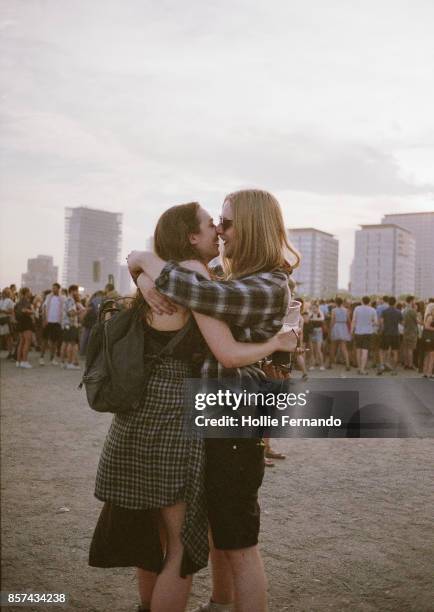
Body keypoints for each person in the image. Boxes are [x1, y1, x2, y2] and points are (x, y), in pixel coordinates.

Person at [92, 200, 297, 612]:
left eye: (226, 222)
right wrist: (275, 344)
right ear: (191, 237)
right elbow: (225, 350)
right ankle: (217, 603)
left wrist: (142, 263)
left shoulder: (178, 280)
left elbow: (198, 294)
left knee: (162, 539)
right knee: (183, 548)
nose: (219, 230)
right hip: (176, 421)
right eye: (212, 223)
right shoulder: (195, 276)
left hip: (141, 419)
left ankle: (208, 604)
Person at [351, 296, 377, 375]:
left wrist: (351, 331)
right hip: (368, 332)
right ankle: (363, 369)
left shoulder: (357, 309)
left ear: (362, 301)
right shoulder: (373, 310)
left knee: (358, 350)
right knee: (365, 351)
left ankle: (359, 368)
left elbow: (353, 320)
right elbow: (376, 322)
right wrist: (370, 323)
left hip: (358, 332)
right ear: (369, 302)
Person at [41, 283, 65, 365]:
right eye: (53, 288)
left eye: (55, 288)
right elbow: (44, 307)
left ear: (59, 289)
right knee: (44, 340)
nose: (53, 289)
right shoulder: (49, 297)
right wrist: (44, 319)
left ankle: (52, 358)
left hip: (57, 322)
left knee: (54, 342)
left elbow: (64, 310)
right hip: (48, 321)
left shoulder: (62, 298)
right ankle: (41, 357)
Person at [378, 296, 402, 375]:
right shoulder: (398, 312)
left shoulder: (384, 311)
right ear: (395, 303)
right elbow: (402, 323)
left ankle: (382, 366)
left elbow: (381, 322)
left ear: (388, 302)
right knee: (395, 351)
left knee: (382, 350)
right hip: (395, 333)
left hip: (386, 333)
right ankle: (394, 370)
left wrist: (381, 331)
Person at [329, 297, 352, 371]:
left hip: (336, 326)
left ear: (336, 302)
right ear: (342, 302)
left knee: (333, 347)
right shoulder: (346, 310)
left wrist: (330, 329)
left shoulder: (334, 310)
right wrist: (349, 329)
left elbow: (333, 320)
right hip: (343, 326)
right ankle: (347, 364)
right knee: (344, 347)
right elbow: (349, 320)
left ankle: (330, 364)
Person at [14, 287, 35, 368]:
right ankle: (24, 361)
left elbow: (17, 311)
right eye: (29, 292)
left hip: (20, 323)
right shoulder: (25, 301)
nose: (30, 293)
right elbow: (24, 310)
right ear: (26, 293)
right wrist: (32, 311)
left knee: (21, 342)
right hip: (26, 323)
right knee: (27, 342)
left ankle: (18, 361)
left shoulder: (19, 301)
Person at [62, 285, 81, 370]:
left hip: (67, 324)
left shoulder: (67, 299)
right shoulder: (70, 300)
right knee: (72, 344)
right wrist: (80, 311)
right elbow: (71, 313)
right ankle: (70, 363)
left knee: (69, 343)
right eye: (76, 291)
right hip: (71, 324)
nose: (78, 293)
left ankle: (67, 362)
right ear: (72, 291)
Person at [402, 296, 418, 370]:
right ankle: (410, 364)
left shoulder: (404, 310)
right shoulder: (412, 311)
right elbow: (417, 321)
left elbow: (402, 322)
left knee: (405, 349)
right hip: (412, 332)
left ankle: (405, 364)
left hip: (405, 331)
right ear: (411, 301)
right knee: (410, 349)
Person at [308, 302, 325, 371]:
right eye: (312, 308)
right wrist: (312, 315)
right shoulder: (310, 313)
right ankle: (312, 365)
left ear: (318, 308)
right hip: (312, 332)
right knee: (312, 350)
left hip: (318, 332)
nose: (314, 309)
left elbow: (322, 319)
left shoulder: (320, 312)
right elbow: (307, 319)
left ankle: (322, 365)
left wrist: (313, 318)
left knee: (318, 349)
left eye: (315, 308)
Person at [0, 287, 15, 359]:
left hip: (6, 320)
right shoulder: (1, 301)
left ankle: (10, 352)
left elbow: (11, 312)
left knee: (8, 337)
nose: (2, 293)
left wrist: (3, 311)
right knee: (4, 337)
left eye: (4, 292)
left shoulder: (9, 301)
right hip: (1, 320)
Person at [422, 302, 434, 378]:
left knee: (428, 355)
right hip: (429, 338)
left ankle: (426, 372)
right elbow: (426, 326)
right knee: (431, 355)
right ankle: (429, 372)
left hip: (429, 337)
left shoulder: (429, 316)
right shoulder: (430, 317)